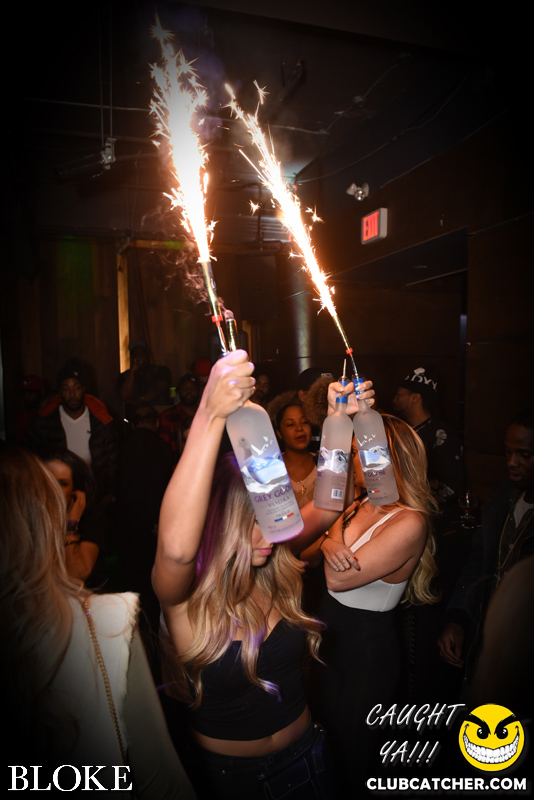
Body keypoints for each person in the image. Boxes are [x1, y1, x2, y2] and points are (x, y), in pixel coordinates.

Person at [152, 351, 376, 800]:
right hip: (233, 781)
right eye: (255, 521)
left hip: (309, 757)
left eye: (274, 518)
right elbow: (175, 550)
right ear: (223, 521)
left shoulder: (273, 555)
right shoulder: (186, 594)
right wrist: (210, 414)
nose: (271, 534)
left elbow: (328, 504)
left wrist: (338, 421)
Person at [0, 445, 196, 799]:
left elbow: (78, 572)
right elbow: (161, 782)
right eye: (48, 484)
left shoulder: (91, 524)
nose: (56, 492)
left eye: (62, 483)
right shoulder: (108, 624)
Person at [300, 409, 439, 779]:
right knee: (322, 752)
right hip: (328, 645)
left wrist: (329, 534)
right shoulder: (360, 503)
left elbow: (337, 580)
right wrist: (328, 540)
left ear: (387, 460)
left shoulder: (410, 521)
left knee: (353, 760)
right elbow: (307, 555)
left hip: (364, 656)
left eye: (356, 453)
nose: (351, 461)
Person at [437, 407, 534, 692]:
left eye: (524, 455)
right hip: (485, 642)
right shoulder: (504, 498)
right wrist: (458, 619)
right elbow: (478, 565)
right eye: (508, 452)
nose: (512, 462)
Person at [23, 361, 119, 503]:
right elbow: (30, 456)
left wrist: (110, 492)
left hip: (95, 494)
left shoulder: (101, 420)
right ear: (60, 391)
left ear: (84, 389)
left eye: (77, 388)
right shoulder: (45, 422)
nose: (72, 394)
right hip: (58, 494)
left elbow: (113, 461)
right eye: (66, 389)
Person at [392, 367, 464, 529]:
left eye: (399, 395)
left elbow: (453, 488)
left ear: (415, 398)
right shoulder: (403, 431)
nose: (394, 400)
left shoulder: (441, 435)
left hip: (434, 522)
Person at [43, 449, 108, 589]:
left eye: (62, 483)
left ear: (76, 491)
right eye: (47, 481)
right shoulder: (32, 517)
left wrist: (71, 525)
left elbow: (76, 574)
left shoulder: (90, 519)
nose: (53, 488)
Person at [275, 403, 317, 508]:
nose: (299, 428)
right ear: (279, 433)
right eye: (290, 424)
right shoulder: (270, 471)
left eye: (305, 422)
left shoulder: (325, 465)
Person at [118, 341, 172, 416]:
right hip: (135, 416)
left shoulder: (161, 371)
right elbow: (125, 396)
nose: (138, 357)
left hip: (158, 414)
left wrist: (141, 400)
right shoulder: (125, 376)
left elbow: (159, 388)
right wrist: (132, 372)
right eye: (135, 354)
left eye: (141, 354)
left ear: (147, 355)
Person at [159, 373, 202, 462]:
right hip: (176, 466)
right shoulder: (168, 416)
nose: (189, 391)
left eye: (193, 389)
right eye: (184, 388)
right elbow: (162, 448)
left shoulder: (206, 415)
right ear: (178, 391)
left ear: (198, 391)